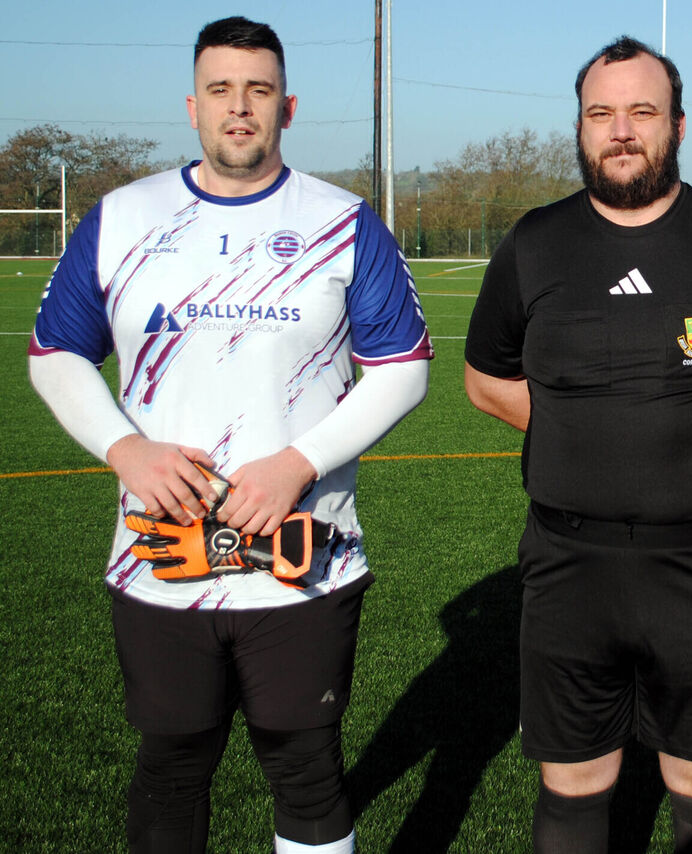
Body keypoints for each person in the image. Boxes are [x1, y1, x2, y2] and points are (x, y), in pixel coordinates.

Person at [28, 16, 432, 853]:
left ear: (286, 106)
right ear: (193, 106)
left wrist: (298, 462)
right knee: (172, 765)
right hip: (160, 552)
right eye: (220, 90)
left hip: (303, 554)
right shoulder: (123, 216)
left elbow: (404, 367)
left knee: (306, 766)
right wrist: (125, 448)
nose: (238, 108)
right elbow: (56, 353)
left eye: (256, 91)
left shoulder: (344, 221)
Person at [464, 35, 692, 853]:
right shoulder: (535, 242)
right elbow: (485, 378)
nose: (621, 130)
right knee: (574, 779)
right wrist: (576, 429)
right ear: (581, 128)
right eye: (602, 113)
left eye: (641, 112)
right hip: (567, 563)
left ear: (678, 126)